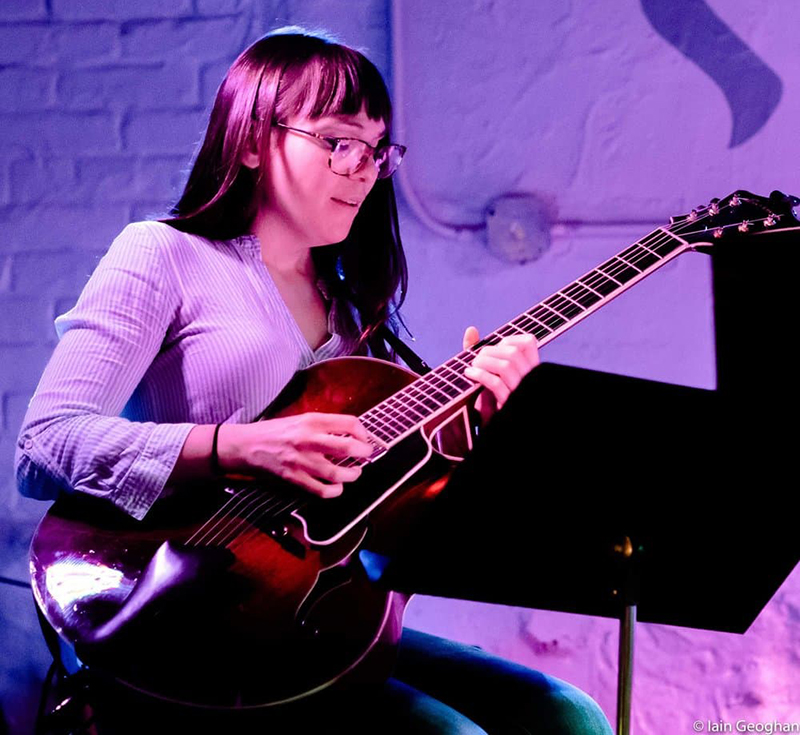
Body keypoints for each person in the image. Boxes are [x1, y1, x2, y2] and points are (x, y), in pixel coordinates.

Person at [16, 28, 614, 734]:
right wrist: (237, 446)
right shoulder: (163, 256)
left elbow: (397, 527)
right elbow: (45, 445)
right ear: (248, 141)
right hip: (188, 604)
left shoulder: (355, 314)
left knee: (568, 712)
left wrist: (489, 423)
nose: (362, 169)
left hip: (320, 617)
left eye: (376, 150)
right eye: (338, 141)